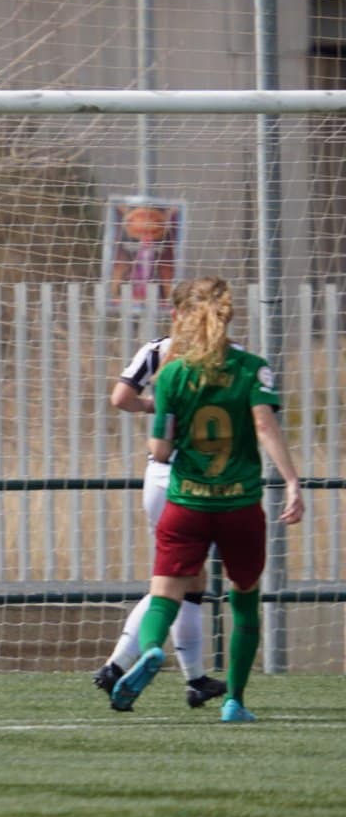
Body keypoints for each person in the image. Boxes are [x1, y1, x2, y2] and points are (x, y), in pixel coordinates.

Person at [108, 277, 305, 722]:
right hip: (239, 506)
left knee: (166, 593)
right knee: (245, 598)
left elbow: (159, 451)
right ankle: (233, 700)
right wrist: (292, 482)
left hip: (186, 503)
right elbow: (265, 427)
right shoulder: (253, 367)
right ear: (229, 316)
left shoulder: (172, 372)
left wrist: (170, 431)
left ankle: (153, 650)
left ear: (180, 317)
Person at [93, 280, 228, 709]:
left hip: (157, 477)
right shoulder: (228, 355)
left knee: (187, 576)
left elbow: (120, 398)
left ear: (175, 313)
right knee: (175, 579)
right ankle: (117, 666)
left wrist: (158, 405)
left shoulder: (157, 349)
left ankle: (196, 679)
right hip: (196, 479)